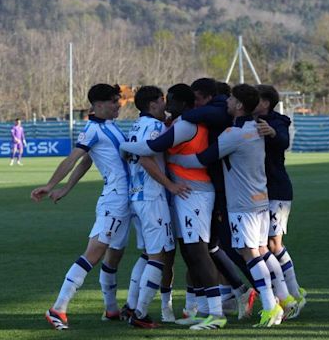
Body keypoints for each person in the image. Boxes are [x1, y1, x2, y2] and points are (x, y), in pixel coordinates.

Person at [167, 84, 285, 327]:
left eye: (231, 98)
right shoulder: (255, 128)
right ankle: (276, 300)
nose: (227, 102)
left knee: (250, 254)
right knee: (259, 252)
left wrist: (170, 158)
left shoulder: (234, 133)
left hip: (243, 203)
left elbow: (202, 158)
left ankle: (271, 306)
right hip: (259, 199)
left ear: (240, 105)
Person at [120, 83, 227, 330]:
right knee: (187, 253)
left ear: (181, 103)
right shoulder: (172, 124)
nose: (167, 105)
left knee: (197, 251)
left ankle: (217, 313)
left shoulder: (185, 125)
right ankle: (200, 309)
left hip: (193, 193)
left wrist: (124, 146)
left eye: (171, 100)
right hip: (177, 195)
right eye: (163, 100)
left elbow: (150, 150)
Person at [31, 83, 131, 330]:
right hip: (114, 200)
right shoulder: (92, 130)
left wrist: (66, 189)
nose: (118, 104)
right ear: (98, 105)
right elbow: (73, 158)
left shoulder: (109, 126)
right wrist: (51, 184)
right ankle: (58, 308)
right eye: (113, 101)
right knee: (94, 253)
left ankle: (110, 309)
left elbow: (87, 161)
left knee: (114, 256)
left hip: (126, 200)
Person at [184, 78, 256, 319]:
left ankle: (265, 292)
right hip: (221, 188)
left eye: (195, 99)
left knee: (229, 246)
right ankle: (234, 292)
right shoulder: (220, 114)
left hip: (220, 189)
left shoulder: (216, 113)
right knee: (213, 245)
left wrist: (180, 115)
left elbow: (203, 156)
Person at [120, 85, 188, 328]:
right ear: (152, 105)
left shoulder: (136, 126)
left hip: (136, 198)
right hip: (152, 198)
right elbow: (147, 158)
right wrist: (169, 184)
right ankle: (140, 313)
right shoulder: (156, 127)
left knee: (148, 254)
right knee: (159, 258)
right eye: (162, 101)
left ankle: (130, 306)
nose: (165, 105)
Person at [254, 84, 307, 318]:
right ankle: (285, 294)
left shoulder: (278, 121)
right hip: (257, 191)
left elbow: (283, 140)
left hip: (276, 190)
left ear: (265, 103)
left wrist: (272, 133)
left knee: (274, 244)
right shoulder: (248, 120)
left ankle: (294, 293)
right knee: (262, 244)